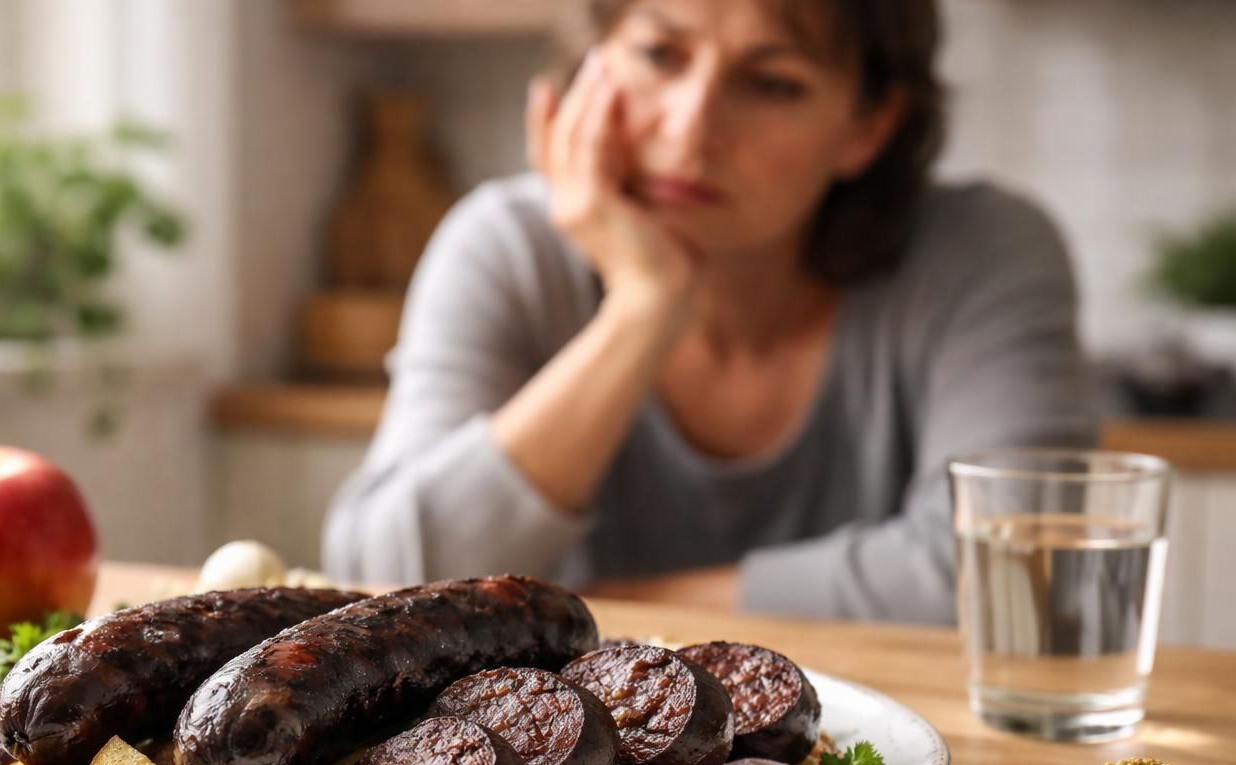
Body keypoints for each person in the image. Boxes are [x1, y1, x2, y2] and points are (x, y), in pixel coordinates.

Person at [320, 0, 1099, 624]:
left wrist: (610, 608)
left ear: (868, 126)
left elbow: (1022, 575)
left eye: (773, 83)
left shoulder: (983, 252)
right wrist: (644, 310)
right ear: (592, 61)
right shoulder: (506, 244)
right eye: (660, 55)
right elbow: (382, 581)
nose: (690, 128)